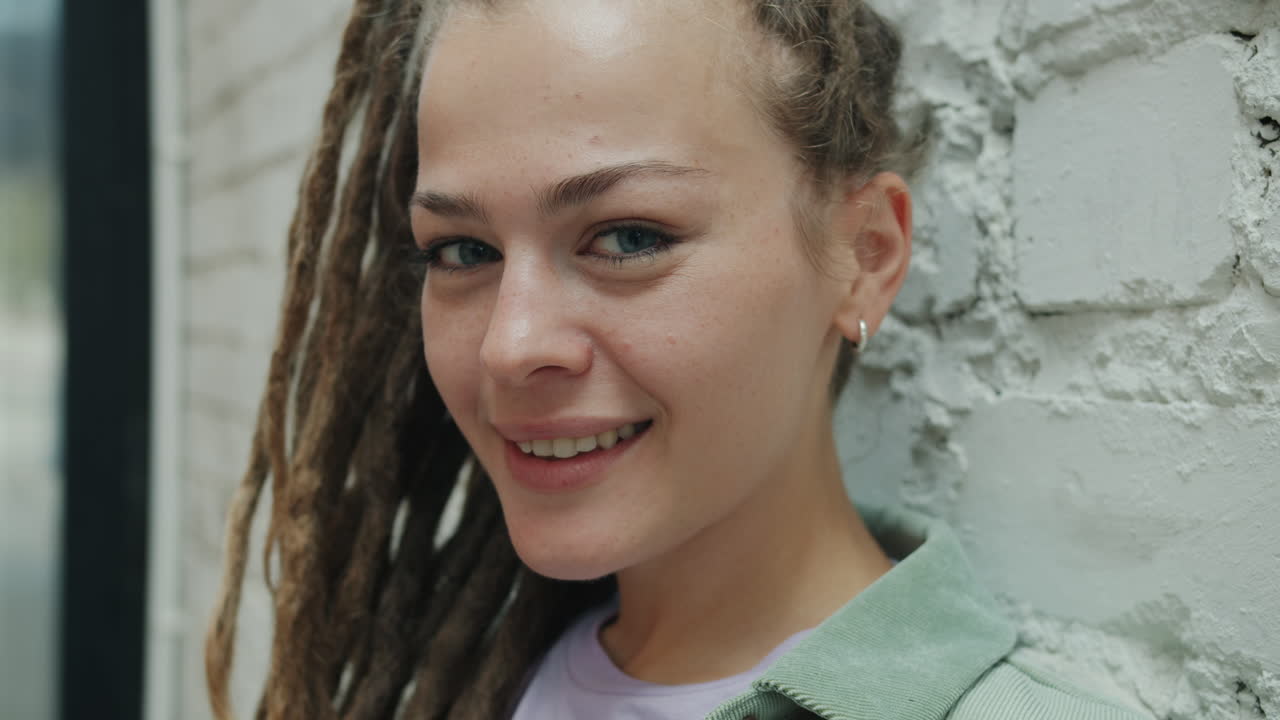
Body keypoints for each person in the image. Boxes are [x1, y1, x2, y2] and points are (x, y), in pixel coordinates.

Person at [205, 1, 1149, 719]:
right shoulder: (445, 681)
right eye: (463, 251)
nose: (510, 345)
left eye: (625, 238)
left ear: (864, 257)